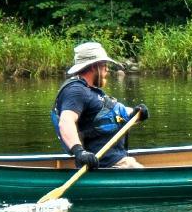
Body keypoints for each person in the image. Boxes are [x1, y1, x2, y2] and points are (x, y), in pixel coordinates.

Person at [53, 41, 148, 171]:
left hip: (118, 161)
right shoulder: (76, 91)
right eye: (104, 65)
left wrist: (136, 113)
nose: (107, 69)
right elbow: (66, 121)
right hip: (108, 165)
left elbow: (109, 114)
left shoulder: (91, 91)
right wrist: (79, 152)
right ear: (93, 66)